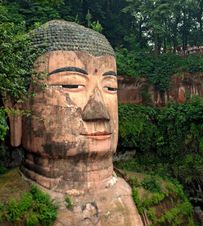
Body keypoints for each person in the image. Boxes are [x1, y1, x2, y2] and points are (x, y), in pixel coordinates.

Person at [4, 20, 143, 226]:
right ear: (15, 107)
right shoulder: (8, 211)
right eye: (72, 84)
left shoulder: (155, 200)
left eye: (110, 87)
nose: (99, 112)